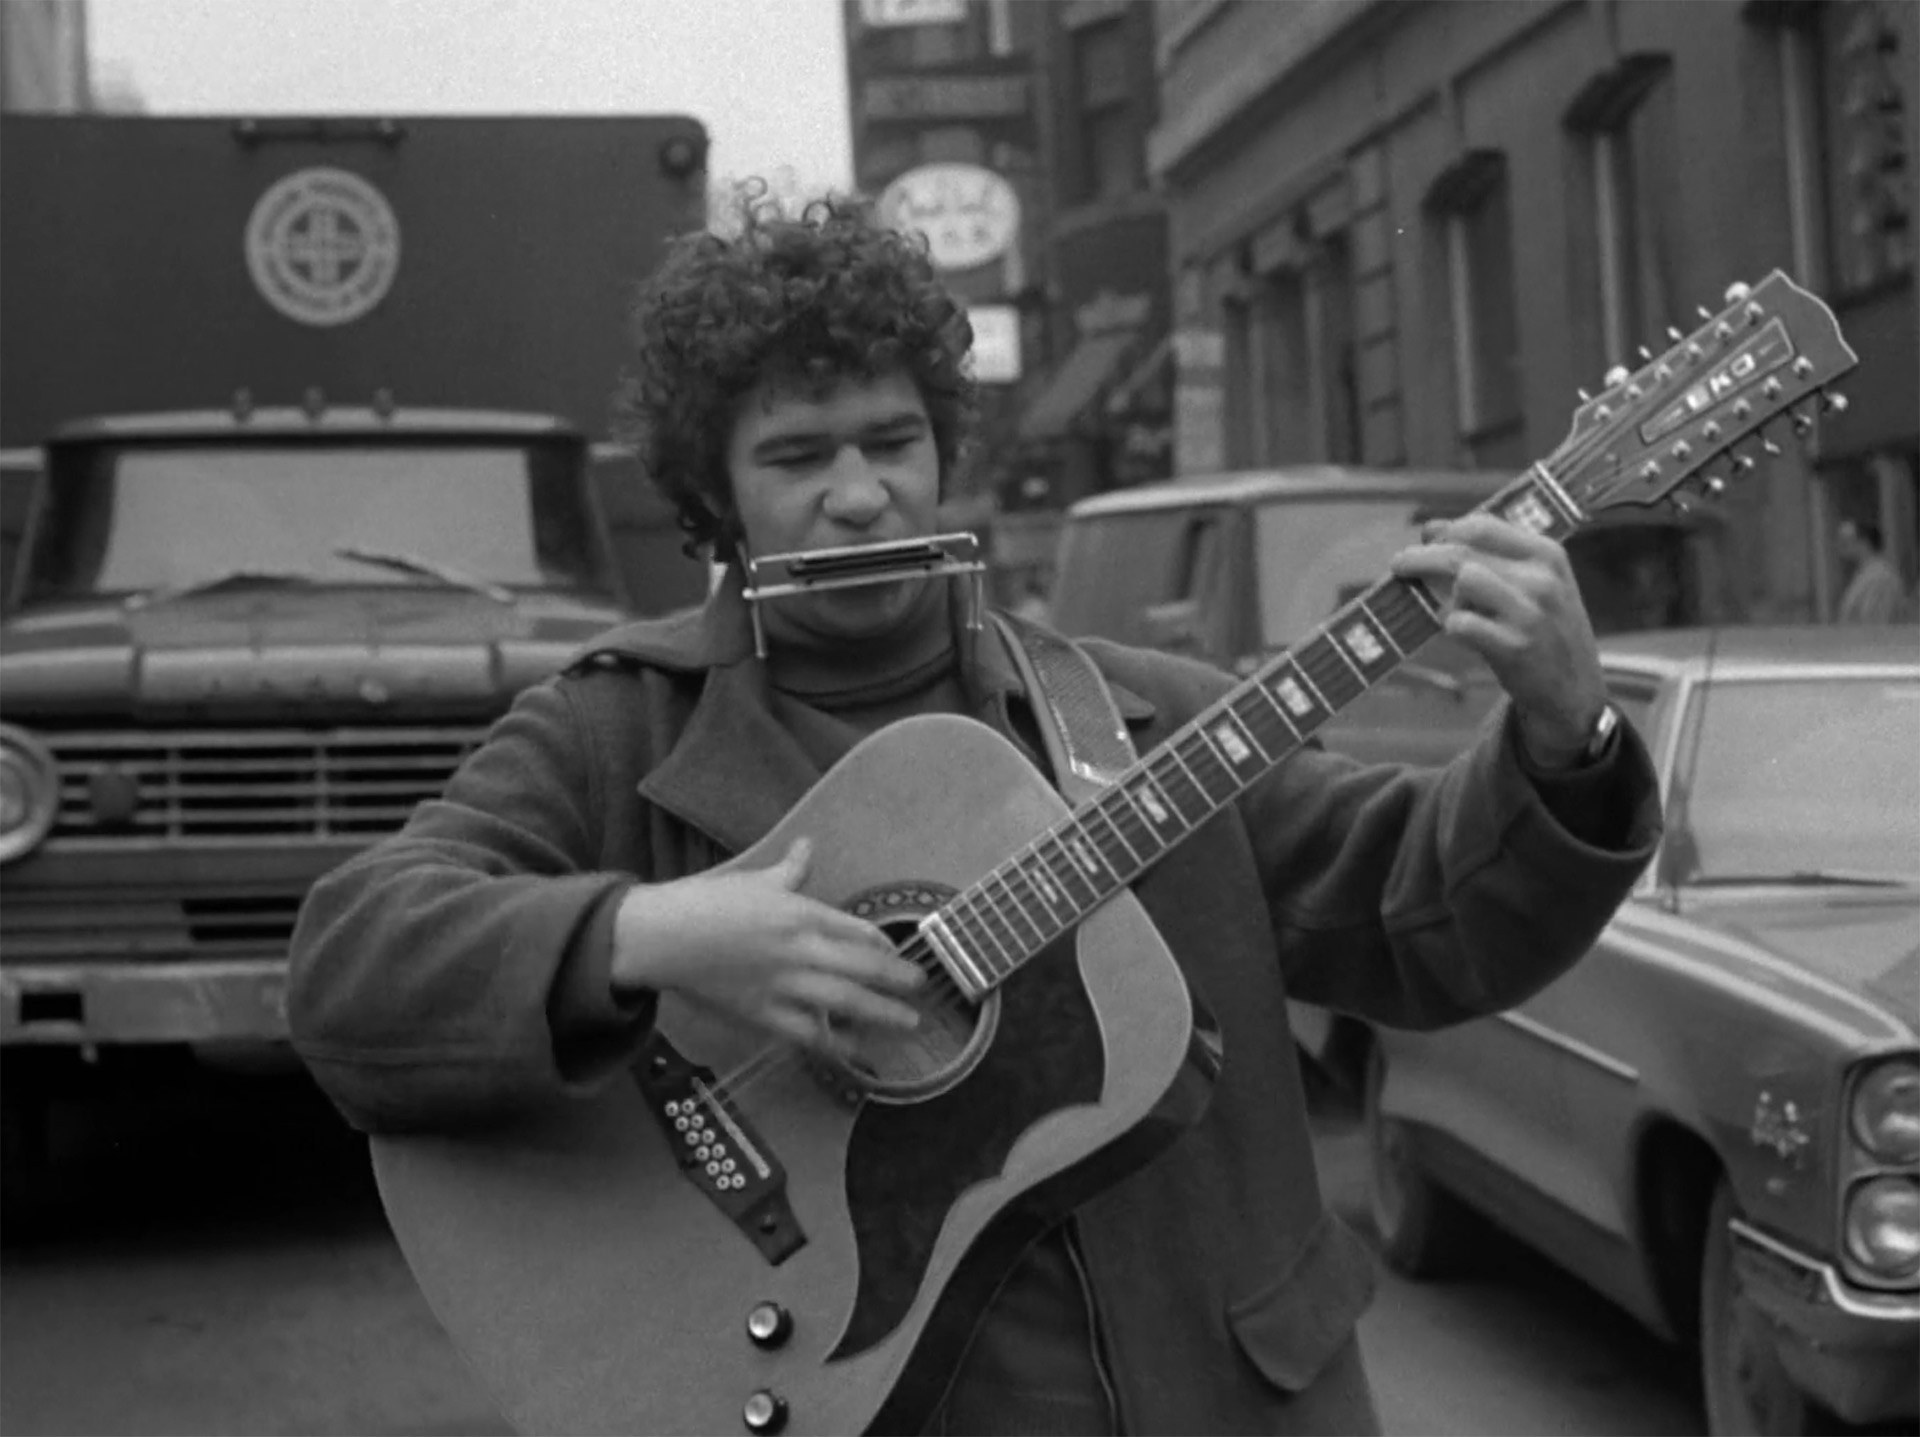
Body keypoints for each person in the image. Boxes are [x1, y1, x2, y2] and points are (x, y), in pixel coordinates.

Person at [287, 193, 1661, 1436]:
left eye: (894, 442)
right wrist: (645, 935)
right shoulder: (615, 733)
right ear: (716, 497)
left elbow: (1430, 926)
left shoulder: (1145, 720)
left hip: (1224, 1395)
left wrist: (1566, 735)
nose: (860, 494)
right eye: (798, 457)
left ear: (943, 452)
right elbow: (352, 969)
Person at [1834, 518, 1907, 625]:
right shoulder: (1862, 575)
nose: (1839, 548)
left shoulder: (1880, 578)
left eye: (1845, 542)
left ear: (1864, 542)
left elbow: (1876, 625)